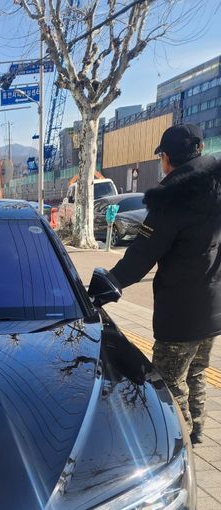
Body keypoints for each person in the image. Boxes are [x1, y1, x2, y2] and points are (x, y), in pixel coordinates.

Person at [106, 123, 221, 443]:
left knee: (168, 384)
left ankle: (181, 440)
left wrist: (108, 284)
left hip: (180, 315)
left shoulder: (172, 199)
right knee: (196, 372)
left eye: (161, 157)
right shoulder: (216, 186)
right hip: (213, 308)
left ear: (167, 158)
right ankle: (198, 431)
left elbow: (141, 256)